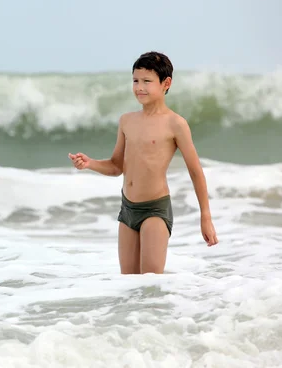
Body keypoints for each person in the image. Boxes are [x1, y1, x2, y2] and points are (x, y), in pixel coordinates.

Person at [68, 51, 218, 275]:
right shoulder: (127, 121)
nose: (140, 87)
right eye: (135, 80)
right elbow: (117, 166)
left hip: (154, 210)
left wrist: (205, 216)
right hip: (127, 209)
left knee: (150, 284)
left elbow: (196, 172)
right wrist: (90, 164)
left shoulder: (175, 124)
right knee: (129, 284)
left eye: (147, 81)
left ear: (166, 83)